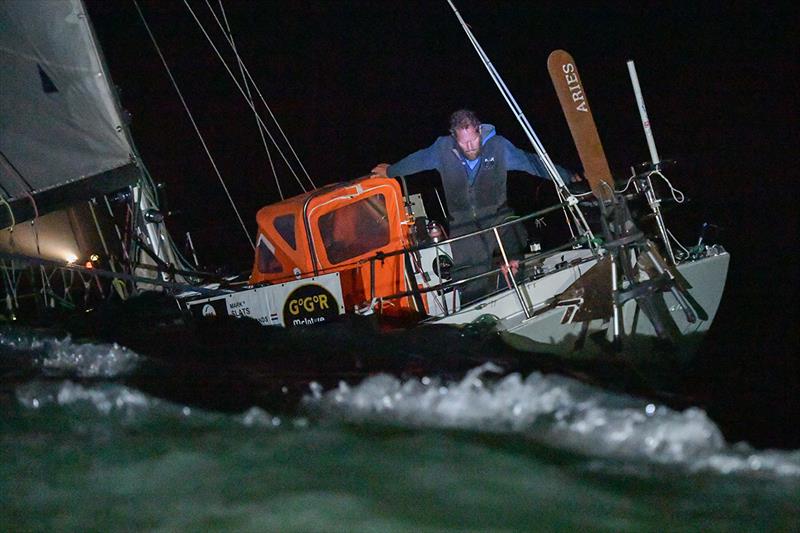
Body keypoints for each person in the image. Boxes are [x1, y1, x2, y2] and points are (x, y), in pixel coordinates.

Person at [372, 109, 580, 301]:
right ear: (454, 137)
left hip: (498, 214)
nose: (471, 147)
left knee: (515, 239)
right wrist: (391, 172)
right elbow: (416, 161)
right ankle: (476, 313)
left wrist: (566, 175)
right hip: (463, 224)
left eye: (473, 139)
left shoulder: (499, 146)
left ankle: (521, 291)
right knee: (470, 280)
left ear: (479, 131)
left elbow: (531, 162)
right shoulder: (441, 149)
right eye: (464, 143)